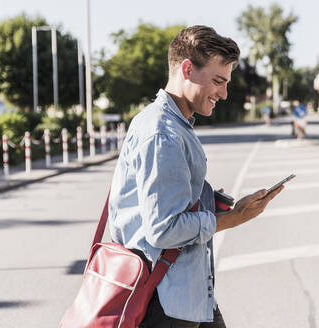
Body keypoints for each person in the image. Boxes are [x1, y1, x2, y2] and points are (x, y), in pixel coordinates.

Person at [108, 25, 283, 328]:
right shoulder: (162, 132)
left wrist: (206, 201)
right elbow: (163, 229)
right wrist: (234, 217)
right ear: (187, 69)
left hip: (186, 295)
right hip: (164, 304)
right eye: (218, 81)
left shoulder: (173, 124)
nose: (224, 93)